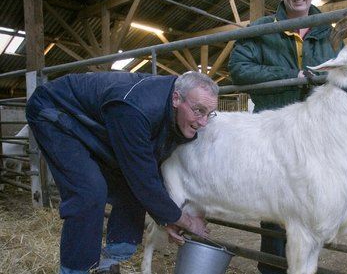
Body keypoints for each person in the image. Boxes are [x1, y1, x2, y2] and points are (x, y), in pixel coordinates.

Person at [25, 71, 218, 274]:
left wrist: (167, 218)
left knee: (130, 184)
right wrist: (181, 219)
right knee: (88, 191)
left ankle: (112, 259)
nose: (204, 122)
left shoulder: (171, 111)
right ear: (177, 99)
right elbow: (143, 178)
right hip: (56, 111)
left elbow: (146, 171)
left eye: (209, 113)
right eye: (198, 111)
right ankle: (76, 269)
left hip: (96, 122)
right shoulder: (136, 109)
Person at [227, 0, 342, 273]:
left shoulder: (330, 34)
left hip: (319, 139)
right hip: (276, 136)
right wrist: (293, 76)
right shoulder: (262, 30)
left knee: (313, 207)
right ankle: (272, 269)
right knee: (276, 210)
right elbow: (239, 69)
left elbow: (345, 77)